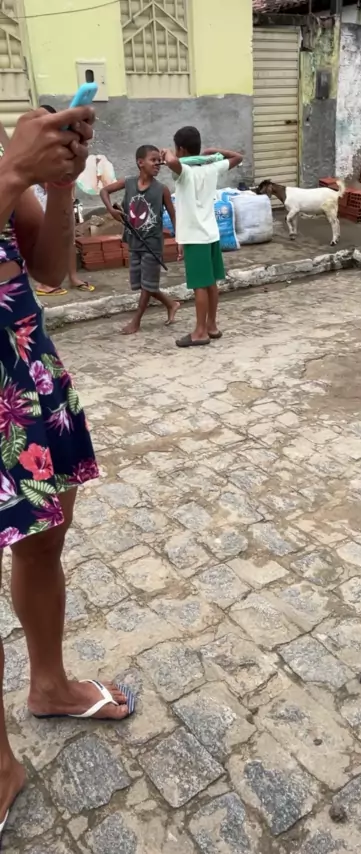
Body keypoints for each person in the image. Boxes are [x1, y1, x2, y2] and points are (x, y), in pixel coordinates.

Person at [0, 106, 133, 835]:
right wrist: (14, 171)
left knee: (44, 540)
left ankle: (48, 684)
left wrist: (54, 185)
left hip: (21, 377)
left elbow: (48, 269)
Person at [160, 127, 242, 348]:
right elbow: (237, 157)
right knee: (211, 283)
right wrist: (215, 151)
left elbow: (171, 161)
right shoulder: (212, 167)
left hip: (195, 237)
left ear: (181, 149)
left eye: (176, 148)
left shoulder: (184, 171)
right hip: (211, 234)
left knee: (200, 286)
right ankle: (212, 326)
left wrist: (166, 152)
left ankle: (200, 332)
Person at [100, 144, 180, 335]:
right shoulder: (128, 183)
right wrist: (111, 210)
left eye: (159, 161)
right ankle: (171, 304)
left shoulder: (162, 189)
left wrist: (180, 240)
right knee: (142, 284)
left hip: (152, 244)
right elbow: (104, 192)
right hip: (134, 242)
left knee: (147, 285)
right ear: (140, 162)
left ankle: (136, 321)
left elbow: (173, 215)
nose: (158, 164)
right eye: (153, 160)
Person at [32, 183, 95, 295]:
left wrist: (71, 196)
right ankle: (45, 284)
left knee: (69, 238)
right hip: (44, 193)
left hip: (63, 194)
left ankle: (73, 278)